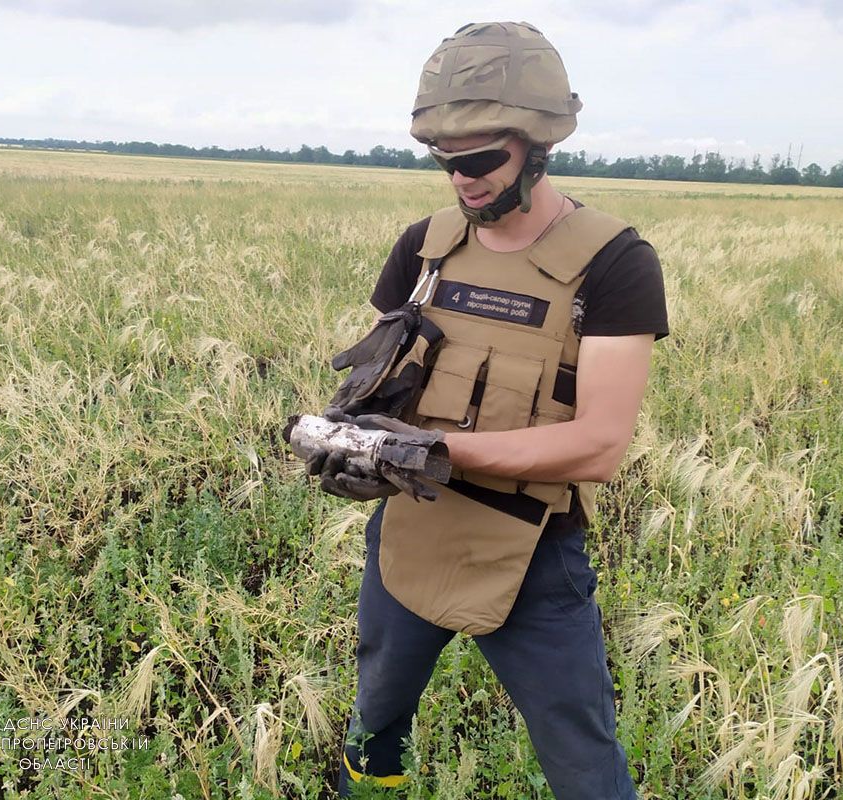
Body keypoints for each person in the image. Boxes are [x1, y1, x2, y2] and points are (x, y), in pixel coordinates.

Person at [314, 21, 668, 799]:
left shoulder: (614, 264)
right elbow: (381, 377)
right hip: (410, 534)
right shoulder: (425, 247)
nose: (461, 181)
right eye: (443, 161)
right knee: (375, 723)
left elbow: (600, 446)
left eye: (478, 160)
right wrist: (349, 431)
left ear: (538, 144)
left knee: (583, 762)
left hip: (533, 554)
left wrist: (431, 452)